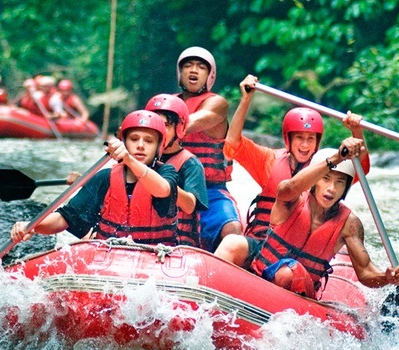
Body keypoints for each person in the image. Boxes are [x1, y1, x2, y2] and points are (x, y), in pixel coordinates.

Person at [215, 138, 399, 298]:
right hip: (260, 271)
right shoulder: (292, 198)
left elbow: (365, 272)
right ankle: (208, 295)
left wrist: (387, 277)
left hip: (296, 291)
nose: (332, 189)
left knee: (288, 271)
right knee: (233, 242)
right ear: (315, 179)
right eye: (326, 179)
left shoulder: (349, 224)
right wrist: (336, 158)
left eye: (339, 183)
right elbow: (288, 187)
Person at [226, 74, 370, 243]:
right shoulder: (269, 160)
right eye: (299, 138)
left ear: (317, 142)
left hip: (296, 247)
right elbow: (233, 143)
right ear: (288, 139)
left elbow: (362, 168)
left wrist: (356, 131)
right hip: (262, 240)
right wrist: (246, 100)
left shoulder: (326, 166)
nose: (304, 145)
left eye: (310, 139)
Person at [10, 110, 179, 246]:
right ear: (124, 142)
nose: (140, 145)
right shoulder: (105, 178)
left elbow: (163, 190)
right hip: (111, 254)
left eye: (148, 141)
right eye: (134, 139)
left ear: (159, 147)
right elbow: (65, 217)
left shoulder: (167, 173)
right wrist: (32, 226)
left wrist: (129, 159)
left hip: (155, 255)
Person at [176, 46, 240, 252]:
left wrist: (160, 124)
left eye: (200, 67)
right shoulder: (167, 103)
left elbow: (191, 123)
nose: (193, 70)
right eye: (188, 66)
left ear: (209, 75)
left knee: (232, 228)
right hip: (169, 187)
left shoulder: (217, 104)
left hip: (209, 190)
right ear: (180, 72)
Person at [145, 93, 208, 247]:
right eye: (155, 123)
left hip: (177, 243)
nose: (159, 130)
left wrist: (165, 185)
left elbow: (189, 206)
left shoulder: (191, 164)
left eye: (165, 125)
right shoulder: (139, 158)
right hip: (144, 238)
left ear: (179, 128)